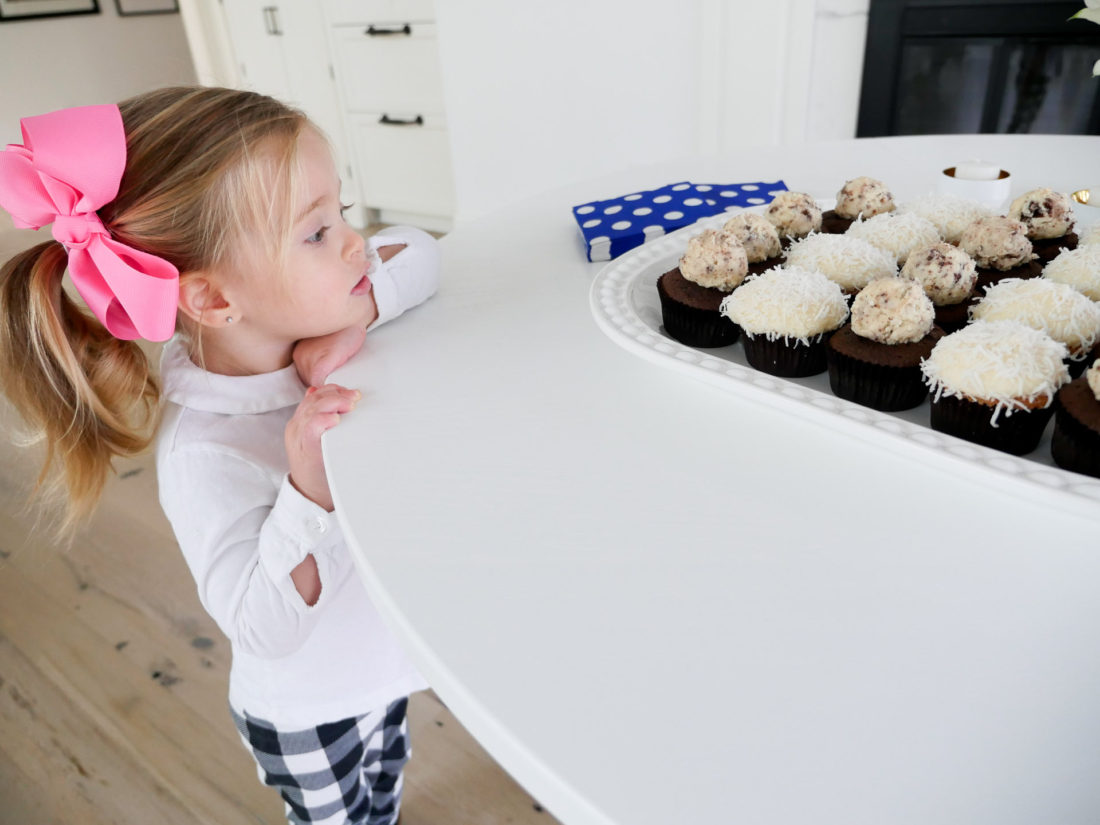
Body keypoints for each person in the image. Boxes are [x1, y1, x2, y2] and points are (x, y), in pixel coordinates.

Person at [0, 86, 439, 825]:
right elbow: (262, 627)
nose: (355, 242)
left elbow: (423, 252)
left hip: (379, 665)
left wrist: (359, 313)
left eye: (342, 212)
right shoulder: (204, 449)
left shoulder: (315, 321)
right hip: (312, 709)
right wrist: (308, 488)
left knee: (387, 784)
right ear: (210, 300)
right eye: (316, 232)